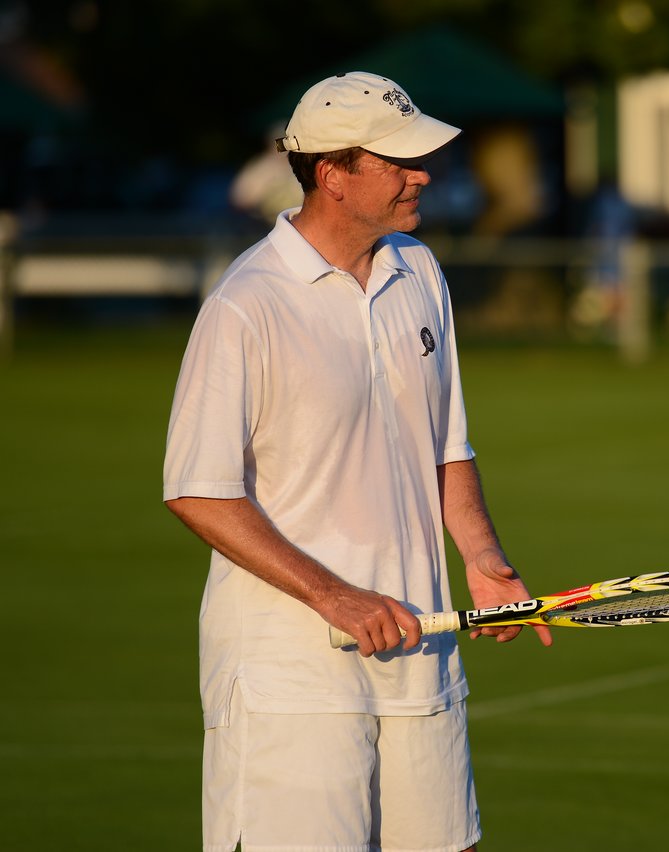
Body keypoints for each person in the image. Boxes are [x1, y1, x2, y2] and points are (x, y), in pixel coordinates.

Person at [162, 71, 552, 852]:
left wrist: (481, 555)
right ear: (333, 174)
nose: (424, 174)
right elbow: (198, 492)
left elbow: (446, 444)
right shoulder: (246, 304)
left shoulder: (420, 271)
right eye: (399, 160)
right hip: (289, 676)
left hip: (421, 654)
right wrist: (336, 597)